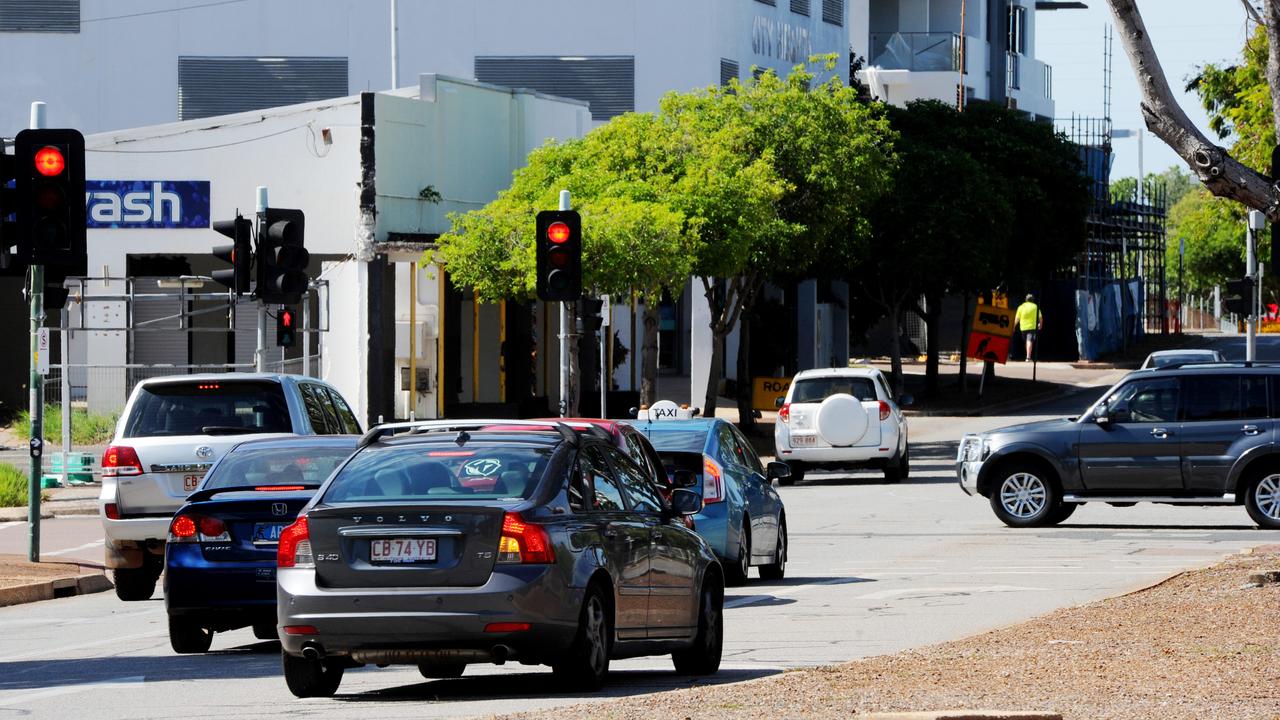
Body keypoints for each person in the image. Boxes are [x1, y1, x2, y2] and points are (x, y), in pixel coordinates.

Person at [1015, 293, 1043, 362]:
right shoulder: (1035, 307)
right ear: (1032, 300)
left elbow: (1017, 318)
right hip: (1032, 327)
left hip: (1023, 327)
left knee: (1027, 341)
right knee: (1029, 341)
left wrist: (1013, 327)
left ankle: (1028, 356)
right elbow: (1040, 318)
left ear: (1026, 300)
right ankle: (1028, 357)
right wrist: (1040, 325)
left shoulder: (1021, 307)